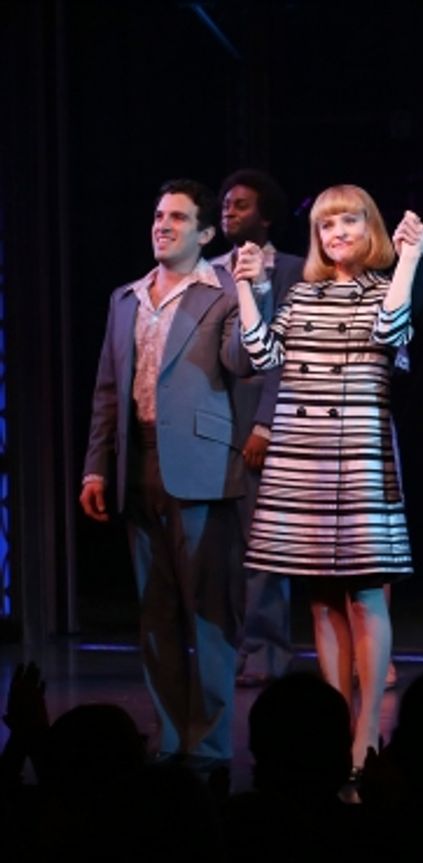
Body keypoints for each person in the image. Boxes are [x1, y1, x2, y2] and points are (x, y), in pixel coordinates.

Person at [232, 184, 423, 767]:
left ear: (369, 229)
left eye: (349, 222)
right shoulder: (301, 295)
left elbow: (391, 330)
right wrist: (247, 288)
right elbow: (262, 356)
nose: (337, 233)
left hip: (357, 457)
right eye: (326, 226)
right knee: (321, 597)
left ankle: (368, 727)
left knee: (366, 593)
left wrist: (411, 258)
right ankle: (333, 720)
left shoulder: (382, 288)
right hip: (301, 459)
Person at [80, 179, 250, 765]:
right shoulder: (126, 298)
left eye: (178, 218)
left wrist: (252, 294)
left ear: (205, 233)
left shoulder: (226, 293)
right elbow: (108, 391)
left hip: (202, 465)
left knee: (207, 610)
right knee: (156, 614)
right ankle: (171, 737)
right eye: (158, 216)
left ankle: (212, 742)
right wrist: (94, 471)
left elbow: (246, 365)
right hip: (139, 463)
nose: (162, 225)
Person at [211, 168, 305, 687]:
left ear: (265, 215)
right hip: (213, 427)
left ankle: (268, 650)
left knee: (264, 546)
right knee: (223, 551)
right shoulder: (208, 271)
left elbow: (285, 358)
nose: (229, 210)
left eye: (242, 204)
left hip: (263, 428)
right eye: (225, 204)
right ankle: (232, 648)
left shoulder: (293, 270)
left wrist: (267, 424)